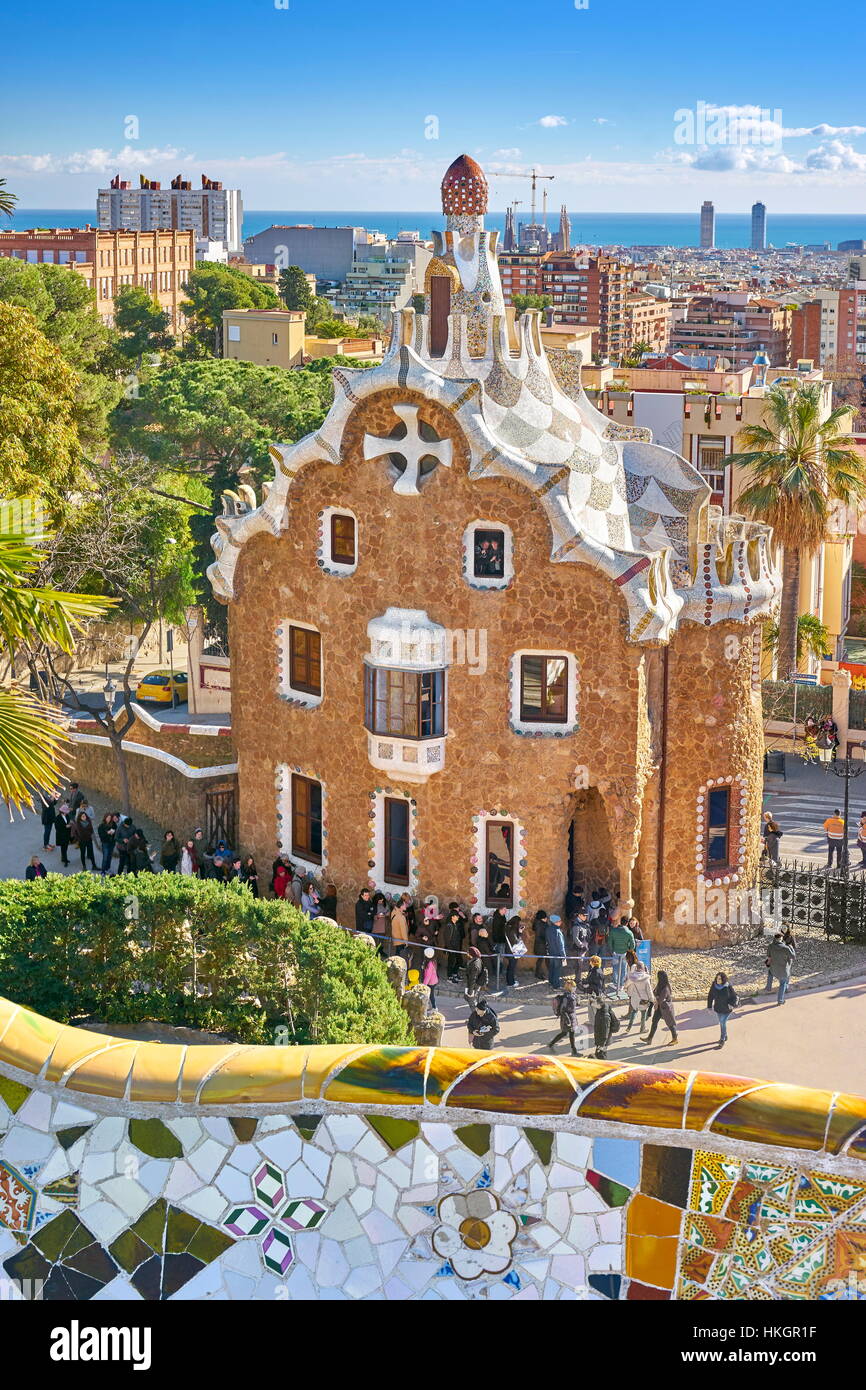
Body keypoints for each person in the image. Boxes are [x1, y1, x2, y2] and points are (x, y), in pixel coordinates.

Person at [643, 970, 678, 1045]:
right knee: (654, 1022)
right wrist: (656, 998)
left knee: (670, 1023)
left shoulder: (665, 988)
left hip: (666, 1009)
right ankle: (649, 1038)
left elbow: (660, 999)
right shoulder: (659, 985)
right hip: (659, 1008)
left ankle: (675, 1039)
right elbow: (654, 992)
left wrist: (656, 1000)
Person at [623, 950, 654, 1034]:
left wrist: (625, 987)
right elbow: (649, 990)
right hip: (643, 999)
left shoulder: (633, 977)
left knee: (634, 1012)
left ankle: (628, 1028)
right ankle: (642, 1028)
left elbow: (627, 984)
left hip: (635, 998)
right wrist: (652, 999)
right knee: (643, 1014)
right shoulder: (646, 979)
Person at [548, 977, 581, 1056]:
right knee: (570, 1034)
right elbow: (564, 1010)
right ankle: (574, 1051)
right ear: (570, 987)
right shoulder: (567, 997)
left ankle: (551, 1043)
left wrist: (578, 1001)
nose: (575, 988)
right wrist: (568, 1021)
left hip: (569, 1018)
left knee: (564, 1033)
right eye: (574, 987)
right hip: (568, 1018)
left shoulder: (571, 995)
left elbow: (573, 1006)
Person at [707, 971, 739, 1048]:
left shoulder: (728, 986)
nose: (718, 980)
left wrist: (731, 1005)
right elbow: (710, 996)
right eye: (717, 978)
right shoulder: (714, 985)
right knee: (722, 1023)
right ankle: (725, 1035)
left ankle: (722, 1039)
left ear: (723, 980)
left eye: (719, 979)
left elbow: (734, 996)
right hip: (718, 1008)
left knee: (722, 1022)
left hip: (727, 1009)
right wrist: (709, 1007)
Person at [765, 931, 795, 1005]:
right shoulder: (786, 948)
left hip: (773, 968)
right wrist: (791, 947)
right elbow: (793, 956)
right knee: (783, 983)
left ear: (775, 938)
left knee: (770, 973)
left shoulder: (770, 946)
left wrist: (768, 964)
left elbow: (769, 957)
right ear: (781, 938)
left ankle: (768, 988)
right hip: (783, 970)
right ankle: (780, 1001)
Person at [608, 916, 636, 996]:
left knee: (615, 968)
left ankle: (615, 983)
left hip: (615, 952)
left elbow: (610, 942)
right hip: (624, 953)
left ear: (620, 921)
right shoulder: (629, 933)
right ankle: (621, 985)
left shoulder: (613, 931)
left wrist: (612, 950)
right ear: (627, 923)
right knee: (623, 969)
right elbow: (633, 945)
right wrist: (629, 949)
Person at [592, 993, 620, 1059]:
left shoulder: (605, 1016)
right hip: (601, 1039)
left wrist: (601, 1045)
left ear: (599, 1004)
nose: (593, 1005)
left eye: (594, 1004)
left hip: (603, 1041)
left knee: (601, 1056)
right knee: (599, 1055)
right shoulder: (601, 1009)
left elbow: (605, 1031)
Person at [442, 908, 465, 982]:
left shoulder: (456, 924)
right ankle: (450, 976)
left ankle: (455, 974)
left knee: (458, 961)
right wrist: (450, 949)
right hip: (451, 948)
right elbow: (447, 939)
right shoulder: (449, 925)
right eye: (457, 916)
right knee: (451, 962)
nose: (458, 917)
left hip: (457, 947)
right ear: (452, 917)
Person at [546, 914, 567, 990]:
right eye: (559, 921)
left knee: (551, 968)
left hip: (551, 952)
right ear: (555, 922)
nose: (561, 922)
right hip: (557, 953)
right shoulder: (558, 931)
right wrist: (563, 955)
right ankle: (556, 986)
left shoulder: (548, 929)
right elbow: (561, 945)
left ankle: (551, 982)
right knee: (557, 969)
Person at [532, 910, 549, 982]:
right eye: (545, 917)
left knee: (541, 959)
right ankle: (538, 973)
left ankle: (539, 973)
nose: (546, 919)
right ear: (542, 918)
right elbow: (540, 935)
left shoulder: (538, 923)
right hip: (541, 945)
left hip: (540, 945)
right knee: (541, 959)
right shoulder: (541, 924)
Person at [53, 803, 72, 867]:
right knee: (63, 848)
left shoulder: (67, 816)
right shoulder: (57, 818)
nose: (67, 813)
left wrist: (69, 825)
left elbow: (68, 822)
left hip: (66, 835)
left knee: (65, 848)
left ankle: (63, 858)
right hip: (61, 836)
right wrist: (65, 826)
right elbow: (57, 827)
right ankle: (65, 860)